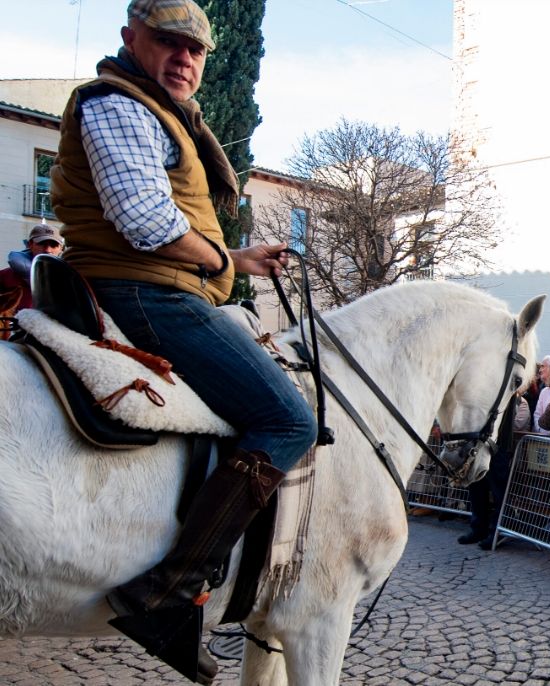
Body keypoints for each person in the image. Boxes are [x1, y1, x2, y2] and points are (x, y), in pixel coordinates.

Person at [47, 2, 319, 679]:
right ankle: (165, 592)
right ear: (129, 38)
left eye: (196, 50)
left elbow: (170, 227)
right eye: (169, 42)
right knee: (288, 419)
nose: (185, 59)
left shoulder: (159, 113)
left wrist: (239, 258)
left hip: (158, 284)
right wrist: (224, 262)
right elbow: (146, 224)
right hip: (143, 294)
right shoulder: (119, 104)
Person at [457, 392, 530, 549]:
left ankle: (495, 532)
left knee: (498, 492)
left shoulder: (510, 394)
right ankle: (478, 529)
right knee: (476, 487)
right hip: (478, 444)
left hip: (499, 447)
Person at [0, 223, 65, 339]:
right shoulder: (5, 276)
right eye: (42, 244)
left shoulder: (69, 280)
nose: (48, 250)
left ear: (61, 248)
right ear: (30, 244)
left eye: (54, 245)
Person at [523, 355, 550, 431]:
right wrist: (539, 429)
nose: (540, 370)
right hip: (540, 433)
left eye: (543, 366)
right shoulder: (544, 389)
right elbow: (537, 414)